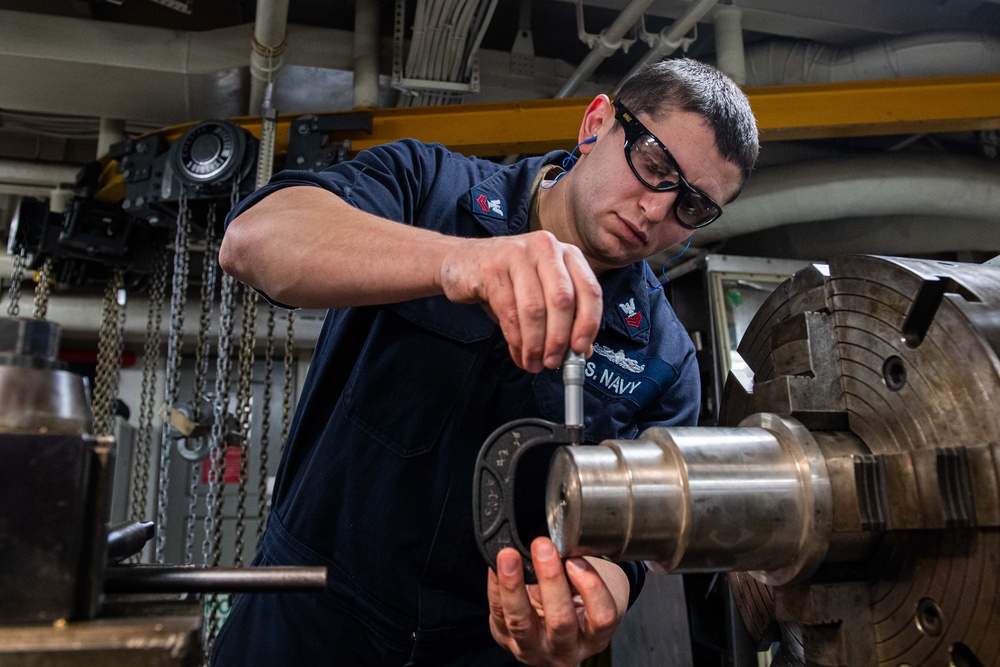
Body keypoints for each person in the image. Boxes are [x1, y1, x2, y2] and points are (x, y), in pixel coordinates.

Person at [211, 57, 759, 667]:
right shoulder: (429, 188)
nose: (658, 211)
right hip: (303, 618)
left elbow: (633, 541)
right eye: (654, 165)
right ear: (597, 122)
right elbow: (254, 240)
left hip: (491, 647)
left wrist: (596, 596)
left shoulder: (665, 357)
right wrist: (460, 263)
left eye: (692, 207)